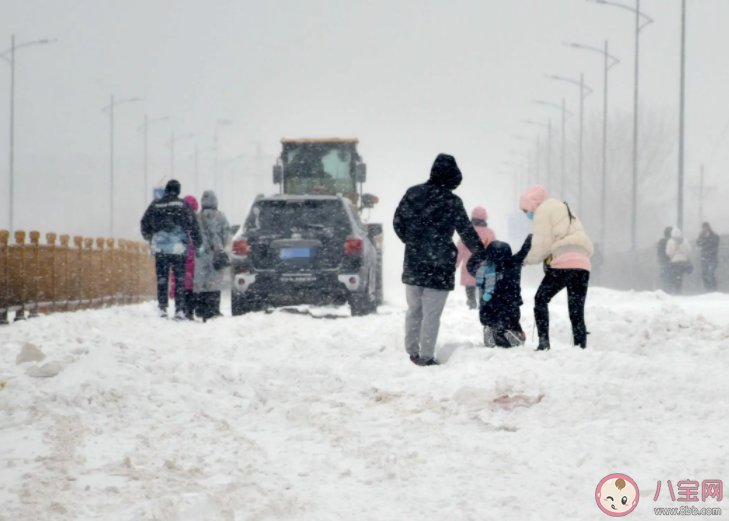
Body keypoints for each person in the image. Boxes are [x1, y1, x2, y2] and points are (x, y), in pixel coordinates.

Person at [394, 154, 488, 367]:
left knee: (414, 310)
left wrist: (412, 242)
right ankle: (426, 356)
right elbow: (466, 231)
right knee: (432, 314)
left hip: (415, 262)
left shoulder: (413, 194)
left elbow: (398, 221)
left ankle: (411, 351)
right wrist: (482, 253)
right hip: (440, 263)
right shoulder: (452, 201)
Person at [520, 185, 594, 351]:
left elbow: (541, 247)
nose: (528, 215)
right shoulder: (562, 206)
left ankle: (544, 343)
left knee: (540, 299)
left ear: (533, 204)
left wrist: (525, 260)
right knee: (576, 308)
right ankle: (581, 346)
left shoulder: (543, 211)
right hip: (582, 263)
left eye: (526, 211)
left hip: (565, 261)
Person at [141, 180, 202, 319]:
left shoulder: (156, 204)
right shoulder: (183, 205)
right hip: (178, 248)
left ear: (166, 190)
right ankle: (179, 309)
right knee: (179, 278)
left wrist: (150, 236)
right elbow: (193, 224)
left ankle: (162, 307)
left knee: (162, 278)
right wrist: (197, 242)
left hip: (161, 248)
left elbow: (144, 223)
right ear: (178, 191)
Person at [468, 235, 532, 348]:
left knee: (492, 322)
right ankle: (513, 334)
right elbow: (523, 252)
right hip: (509, 306)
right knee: (511, 323)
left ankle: (491, 329)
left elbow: (470, 265)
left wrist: (480, 251)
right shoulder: (514, 265)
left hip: (488, 309)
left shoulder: (482, 270)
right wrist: (530, 239)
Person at [194, 190, 231, 322]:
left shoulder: (197, 217)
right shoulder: (220, 216)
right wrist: (219, 244)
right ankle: (214, 310)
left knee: (203, 283)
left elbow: (194, 235)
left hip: (201, 255)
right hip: (216, 254)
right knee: (215, 283)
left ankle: (203, 310)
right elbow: (226, 235)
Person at [455, 207, 496, 309]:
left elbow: (459, 250)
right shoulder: (490, 233)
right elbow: (495, 249)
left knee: (469, 286)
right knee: (484, 284)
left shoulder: (467, 232)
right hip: (484, 265)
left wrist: (454, 265)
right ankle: (483, 303)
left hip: (469, 265)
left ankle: (471, 302)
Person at [169, 195, 199, 320]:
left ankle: (180, 309)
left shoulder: (176, 220)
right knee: (191, 285)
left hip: (180, 256)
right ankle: (189, 311)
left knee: (180, 282)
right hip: (192, 260)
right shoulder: (195, 221)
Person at [665, 227, 692, 294]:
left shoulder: (670, 241)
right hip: (683, 262)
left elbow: (668, 252)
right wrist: (686, 257)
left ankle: (674, 289)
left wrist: (672, 256)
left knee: (674, 276)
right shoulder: (685, 241)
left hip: (674, 262)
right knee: (679, 276)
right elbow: (689, 250)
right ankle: (678, 290)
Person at [697, 222, 720, 292]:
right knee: (704, 274)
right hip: (704, 257)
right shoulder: (701, 236)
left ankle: (713, 288)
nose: (705, 229)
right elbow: (698, 243)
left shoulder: (714, 236)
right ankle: (707, 288)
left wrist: (706, 244)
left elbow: (714, 244)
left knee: (710, 273)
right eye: (704, 228)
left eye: (706, 227)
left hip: (712, 257)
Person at [657, 227, 673, 292]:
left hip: (664, 261)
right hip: (671, 261)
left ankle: (665, 289)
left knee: (665, 276)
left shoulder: (662, 241)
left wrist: (662, 258)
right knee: (671, 277)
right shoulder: (673, 241)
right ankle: (671, 289)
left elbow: (659, 252)